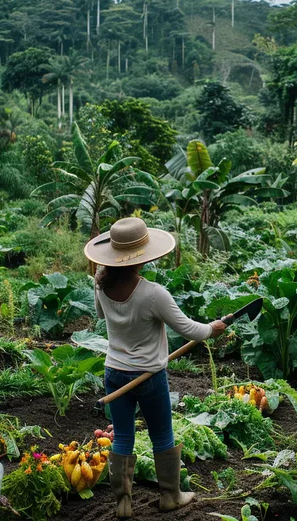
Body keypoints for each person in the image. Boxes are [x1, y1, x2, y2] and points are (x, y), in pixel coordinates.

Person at [85, 217, 226, 518]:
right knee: (162, 433)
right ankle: (170, 496)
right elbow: (192, 330)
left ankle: (123, 503)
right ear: (142, 256)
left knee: (122, 435)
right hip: (148, 375)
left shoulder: (101, 286)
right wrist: (213, 328)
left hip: (114, 374)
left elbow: (100, 314)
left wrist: (99, 280)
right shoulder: (153, 294)